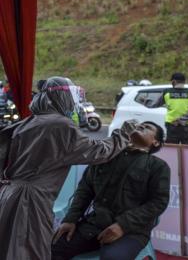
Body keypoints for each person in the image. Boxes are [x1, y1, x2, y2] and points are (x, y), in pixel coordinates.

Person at [0, 76, 137, 260]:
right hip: (30, 201)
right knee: (30, 252)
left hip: (10, 194)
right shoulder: (60, 125)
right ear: (62, 98)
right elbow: (98, 151)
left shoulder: (29, 122)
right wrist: (124, 135)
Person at [52, 123, 170, 260]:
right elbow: (85, 190)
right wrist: (70, 219)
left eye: (147, 127)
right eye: (139, 125)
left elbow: (158, 203)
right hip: (95, 224)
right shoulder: (107, 155)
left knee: (113, 258)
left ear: (156, 142)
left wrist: (122, 225)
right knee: (52, 247)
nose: (141, 126)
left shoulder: (158, 166)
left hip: (131, 231)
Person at [149, 72, 188, 145]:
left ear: (174, 81)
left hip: (172, 126)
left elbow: (153, 105)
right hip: (187, 127)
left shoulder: (167, 92)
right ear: (185, 82)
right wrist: (182, 119)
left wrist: (144, 101)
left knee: (171, 149)